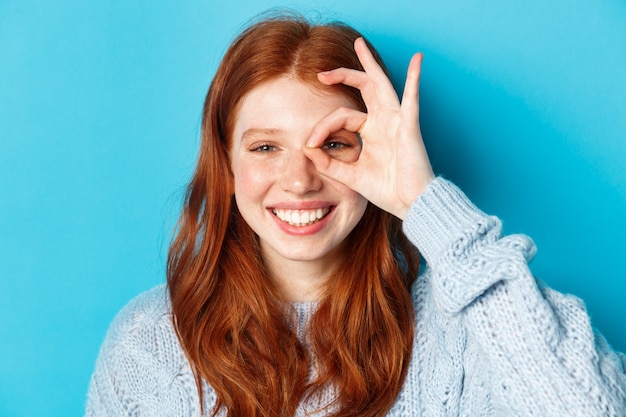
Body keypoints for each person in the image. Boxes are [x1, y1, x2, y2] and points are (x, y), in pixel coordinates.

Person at [84, 11, 626, 417]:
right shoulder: (150, 342)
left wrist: (425, 200)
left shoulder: (461, 329)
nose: (299, 180)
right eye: (266, 148)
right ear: (224, 164)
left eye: (336, 144)